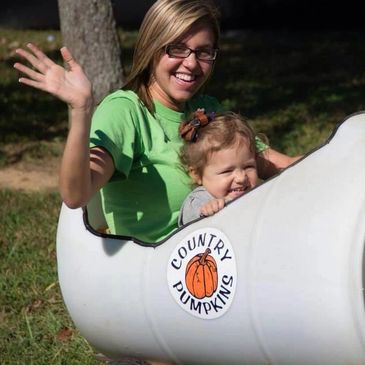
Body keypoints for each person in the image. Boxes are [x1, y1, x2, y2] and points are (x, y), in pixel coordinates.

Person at [13, 0, 299, 243]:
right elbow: (76, 195)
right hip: (154, 279)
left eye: (203, 52)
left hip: (219, 262)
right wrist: (81, 110)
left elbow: (281, 165)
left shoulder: (206, 107)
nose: (191, 63)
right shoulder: (125, 112)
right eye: (176, 48)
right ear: (152, 48)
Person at [178, 109, 259, 226]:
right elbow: (192, 231)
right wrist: (206, 211)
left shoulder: (253, 192)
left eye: (248, 166)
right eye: (227, 171)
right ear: (197, 174)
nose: (241, 178)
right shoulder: (198, 201)